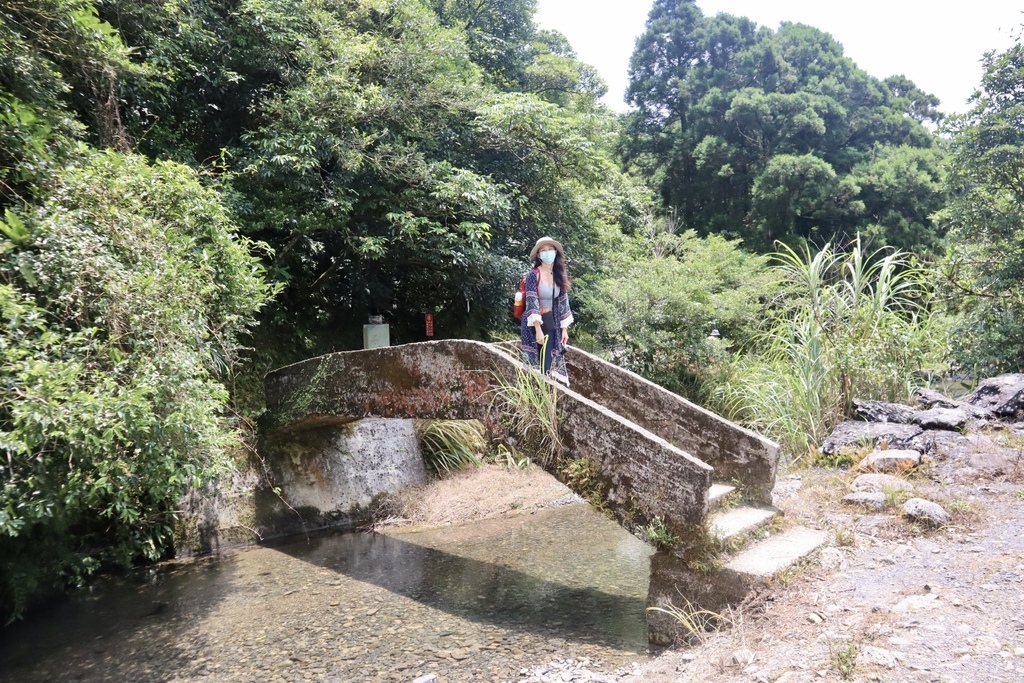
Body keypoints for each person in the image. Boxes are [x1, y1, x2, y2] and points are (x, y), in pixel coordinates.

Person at [520, 236, 574, 385]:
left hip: (551, 322)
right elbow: (532, 301)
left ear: (556, 251)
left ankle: (546, 397)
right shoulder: (533, 275)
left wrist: (564, 329)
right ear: (538, 255)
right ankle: (535, 396)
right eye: (543, 250)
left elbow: (563, 302)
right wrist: (537, 329)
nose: (547, 252)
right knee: (534, 362)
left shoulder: (559, 274)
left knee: (548, 362)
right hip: (533, 324)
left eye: (550, 249)